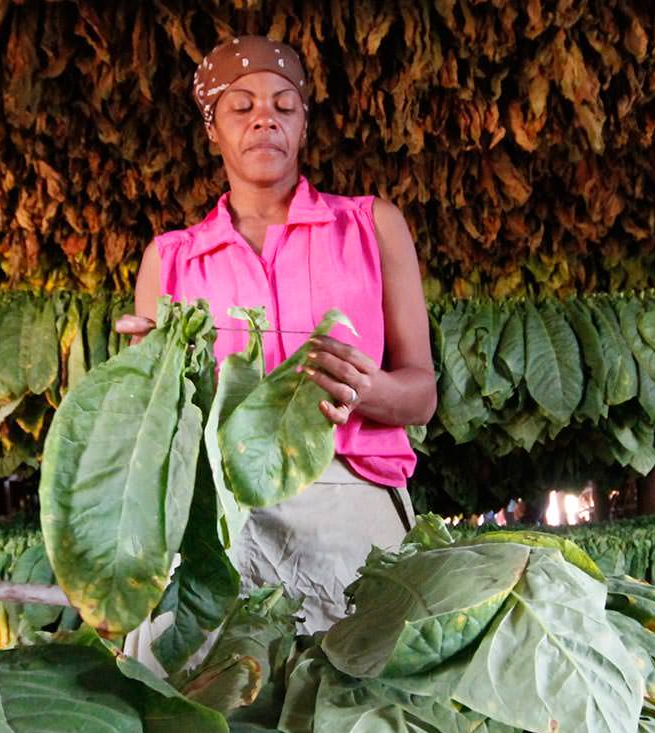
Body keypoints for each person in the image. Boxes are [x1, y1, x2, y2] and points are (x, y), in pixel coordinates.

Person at [115, 35, 436, 633]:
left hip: (350, 505)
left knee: (351, 702)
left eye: (284, 105)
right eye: (242, 106)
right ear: (212, 128)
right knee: (215, 703)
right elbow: (158, 434)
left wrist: (368, 391)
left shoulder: (372, 226)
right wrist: (145, 381)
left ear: (304, 125)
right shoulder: (172, 259)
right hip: (219, 517)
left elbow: (421, 394)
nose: (265, 116)